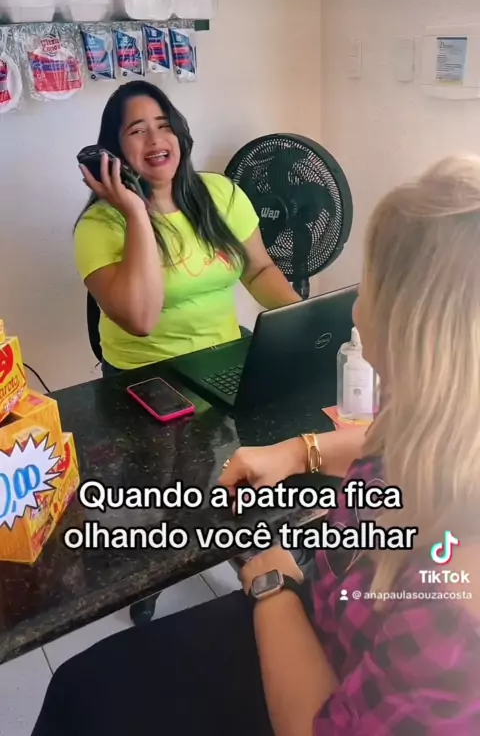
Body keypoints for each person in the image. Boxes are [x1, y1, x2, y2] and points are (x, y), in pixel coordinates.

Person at [33, 156, 480, 735]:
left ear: (413, 328)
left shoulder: (451, 606)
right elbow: (391, 444)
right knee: (80, 682)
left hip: (307, 663)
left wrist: (272, 580)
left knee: (86, 697)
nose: (356, 303)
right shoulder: (444, 427)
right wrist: (297, 452)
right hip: (319, 606)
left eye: (369, 283)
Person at [74, 80, 300, 375]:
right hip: (145, 376)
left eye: (164, 126)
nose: (155, 139)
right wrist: (136, 213)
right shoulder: (98, 225)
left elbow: (259, 270)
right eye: (138, 131)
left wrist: (305, 320)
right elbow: (141, 321)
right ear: (114, 152)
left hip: (224, 360)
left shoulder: (221, 192)